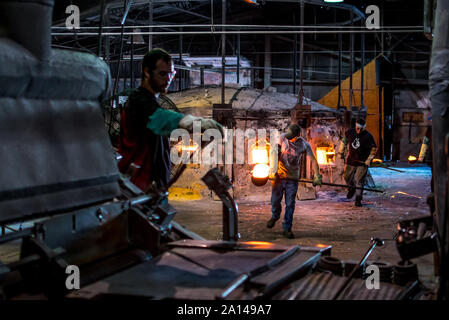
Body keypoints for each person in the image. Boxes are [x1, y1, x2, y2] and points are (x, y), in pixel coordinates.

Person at [118, 48, 222, 193]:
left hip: (150, 187)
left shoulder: (150, 101)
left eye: (171, 74)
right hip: (138, 188)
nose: (168, 79)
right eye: (162, 74)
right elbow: (160, 118)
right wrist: (197, 124)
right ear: (147, 72)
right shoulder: (138, 101)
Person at [266, 124, 322, 239]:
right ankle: (275, 216)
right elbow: (273, 153)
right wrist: (273, 170)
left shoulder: (303, 144)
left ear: (296, 137)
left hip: (292, 178)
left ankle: (287, 228)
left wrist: (317, 175)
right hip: (279, 176)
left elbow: (313, 160)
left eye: (291, 136)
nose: (288, 137)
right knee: (275, 201)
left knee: (290, 204)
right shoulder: (282, 138)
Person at [338, 118, 377, 207]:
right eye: (357, 128)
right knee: (347, 177)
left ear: (364, 127)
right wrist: (341, 151)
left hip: (362, 162)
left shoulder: (368, 136)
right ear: (355, 126)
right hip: (351, 160)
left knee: (359, 181)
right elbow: (344, 142)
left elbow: (374, 148)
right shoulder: (350, 132)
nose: (358, 131)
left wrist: (369, 160)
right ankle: (351, 189)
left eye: (361, 129)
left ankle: (358, 199)